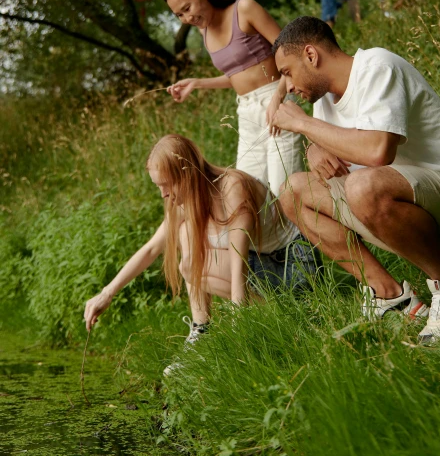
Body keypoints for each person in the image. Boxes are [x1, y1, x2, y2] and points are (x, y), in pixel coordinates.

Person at [270, 16, 440, 344]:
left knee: (362, 185)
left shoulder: (378, 67)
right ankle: (390, 297)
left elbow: (378, 151)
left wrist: (303, 126)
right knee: (293, 190)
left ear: (311, 55)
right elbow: (336, 146)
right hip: (411, 207)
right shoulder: (324, 101)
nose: (288, 87)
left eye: (287, 73)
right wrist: (313, 149)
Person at [83, 134, 318, 372]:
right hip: (260, 266)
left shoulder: (232, 189)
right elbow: (152, 249)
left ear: (188, 174)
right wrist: (107, 293)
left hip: (290, 267)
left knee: (190, 252)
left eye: (167, 184)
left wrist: (238, 342)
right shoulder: (186, 202)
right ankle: (201, 331)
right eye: (158, 186)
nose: (163, 194)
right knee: (185, 235)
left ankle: (278, 316)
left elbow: (239, 267)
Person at [162, 0, 303, 195]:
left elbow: (291, 54)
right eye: (179, 14)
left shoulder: (244, 9)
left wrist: (279, 97)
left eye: (187, 8)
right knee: (248, 193)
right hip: (247, 111)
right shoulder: (204, 32)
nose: (187, 18)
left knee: (283, 190)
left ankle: (306, 231)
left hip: (277, 99)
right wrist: (197, 83)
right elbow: (238, 77)